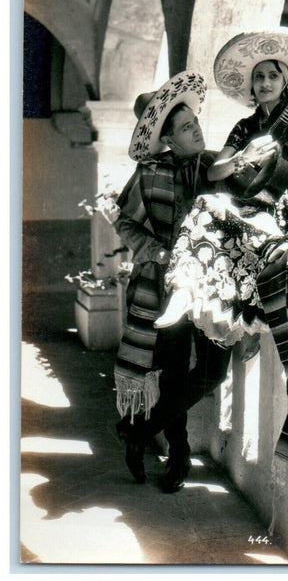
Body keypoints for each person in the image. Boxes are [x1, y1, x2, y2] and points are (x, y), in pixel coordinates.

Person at [154, 28, 288, 354]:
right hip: (259, 203)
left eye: (272, 76)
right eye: (258, 78)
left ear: (286, 81)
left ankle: (249, 319)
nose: (265, 83)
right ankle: (184, 289)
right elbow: (215, 171)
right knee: (206, 204)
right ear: (251, 86)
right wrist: (243, 158)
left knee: (243, 233)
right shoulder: (245, 127)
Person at [113, 70, 232, 492]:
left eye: (194, 122)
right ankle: (178, 456)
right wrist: (155, 251)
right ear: (168, 139)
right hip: (164, 289)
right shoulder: (149, 174)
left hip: (216, 288)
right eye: (184, 128)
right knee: (174, 370)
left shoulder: (217, 165)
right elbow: (125, 222)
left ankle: (138, 432)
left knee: (214, 371)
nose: (195, 129)